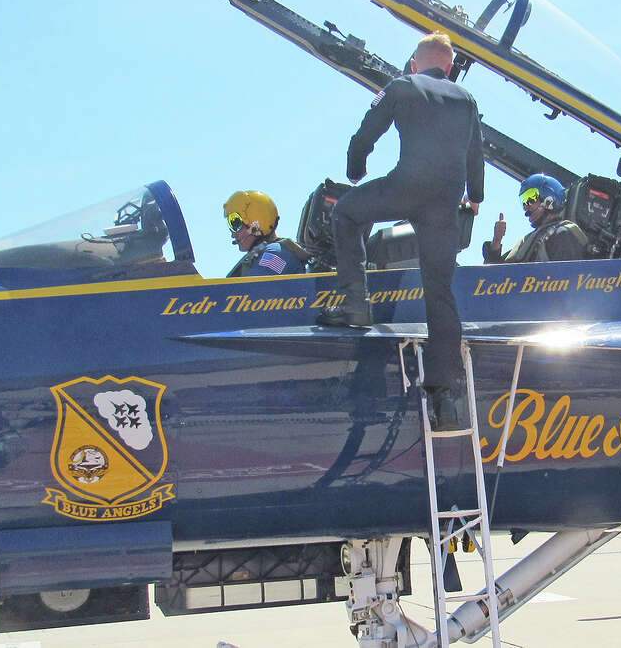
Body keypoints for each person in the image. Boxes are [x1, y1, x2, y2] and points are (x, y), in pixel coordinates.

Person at [319, 32, 484, 425]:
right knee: (439, 292)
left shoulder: (402, 85)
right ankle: (446, 396)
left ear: (415, 62)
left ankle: (355, 305)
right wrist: (474, 198)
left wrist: (355, 170)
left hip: (406, 186)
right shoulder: (467, 100)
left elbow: (366, 133)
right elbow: (476, 152)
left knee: (346, 212)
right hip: (445, 202)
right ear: (449, 67)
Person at [483, 174, 589, 264]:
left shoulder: (563, 234)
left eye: (530, 198)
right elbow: (494, 276)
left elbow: (568, 282)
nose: (525, 207)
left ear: (549, 199)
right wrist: (497, 241)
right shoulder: (528, 242)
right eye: (523, 201)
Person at [223, 190, 309, 278]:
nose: (233, 235)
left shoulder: (276, 254)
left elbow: (254, 288)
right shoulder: (263, 256)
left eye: (235, 224)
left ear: (255, 224)